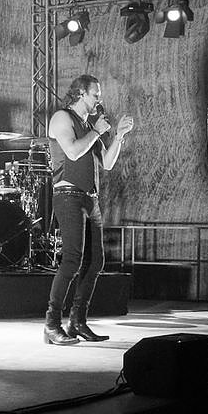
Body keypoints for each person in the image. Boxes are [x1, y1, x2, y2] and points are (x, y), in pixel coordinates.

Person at [44, 74, 134, 345]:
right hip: (68, 195)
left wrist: (118, 136)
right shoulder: (62, 118)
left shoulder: (89, 125)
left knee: (96, 262)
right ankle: (51, 325)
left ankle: (77, 322)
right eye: (95, 95)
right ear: (81, 94)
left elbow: (107, 163)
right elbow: (72, 152)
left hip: (90, 199)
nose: (99, 100)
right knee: (72, 259)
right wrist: (95, 131)